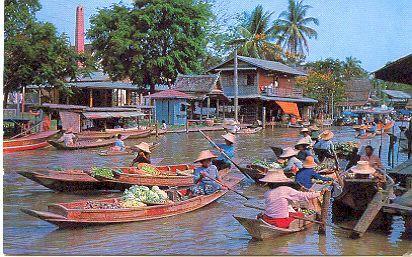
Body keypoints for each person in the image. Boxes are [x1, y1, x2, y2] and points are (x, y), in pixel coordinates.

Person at [257, 186, 327, 229]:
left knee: (291, 213)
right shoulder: (284, 189)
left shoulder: (267, 192)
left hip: (267, 218)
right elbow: (303, 196)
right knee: (301, 215)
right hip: (280, 221)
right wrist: (319, 194)